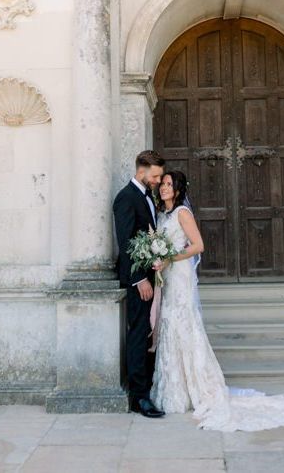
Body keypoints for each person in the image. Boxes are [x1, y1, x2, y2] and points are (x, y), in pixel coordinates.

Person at [152, 170, 284, 431]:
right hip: (169, 279)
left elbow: (198, 245)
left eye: (169, 184)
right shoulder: (162, 215)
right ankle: (176, 390)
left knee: (184, 325)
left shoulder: (182, 213)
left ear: (177, 190)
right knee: (170, 327)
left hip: (180, 277)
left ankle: (199, 388)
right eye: (163, 184)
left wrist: (169, 258)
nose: (164, 188)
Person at [113, 150, 166, 418]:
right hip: (139, 281)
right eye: (155, 175)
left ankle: (148, 388)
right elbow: (125, 243)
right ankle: (139, 398)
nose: (157, 180)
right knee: (138, 334)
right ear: (142, 170)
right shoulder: (126, 198)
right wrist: (138, 279)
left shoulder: (148, 197)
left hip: (151, 277)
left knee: (148, 333)